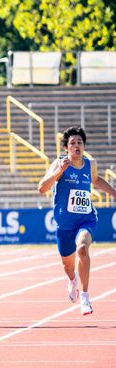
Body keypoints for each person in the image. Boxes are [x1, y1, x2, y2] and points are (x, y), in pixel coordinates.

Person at [38, 126, 116, 315]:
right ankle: (73, 280)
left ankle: (85, 297)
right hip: (64, 224)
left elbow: (96, 180)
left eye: (79, 142)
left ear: (84, 146)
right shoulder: (59, 163)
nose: (76, 145)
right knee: (68, 265)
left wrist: (114, 193)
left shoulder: (91, 164)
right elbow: (42, 188)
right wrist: (60, 171)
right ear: (66, 148)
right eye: (72, 143)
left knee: (82, 248)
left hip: (85, 219)